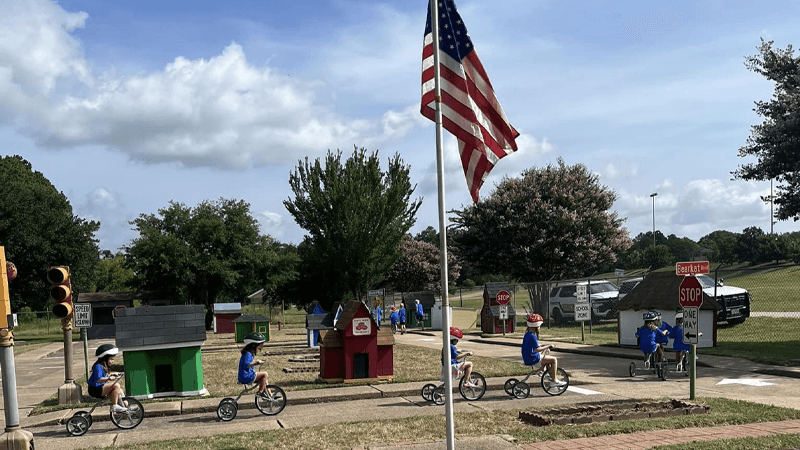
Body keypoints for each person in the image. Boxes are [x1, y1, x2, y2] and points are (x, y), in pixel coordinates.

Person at [521, 314, 567, 387]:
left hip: (529, 357)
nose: (540, 328)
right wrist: (548, 346)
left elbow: (535, 347)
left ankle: (544, 372)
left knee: (547, 359)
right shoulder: (532, 336)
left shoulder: (528, 334)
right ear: (536, 326)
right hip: (533, 359)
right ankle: (554, 380)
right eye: (539, 326)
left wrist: (543, 347)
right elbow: (537, 349)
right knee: (554, 360)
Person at [87, 344, 131, 412]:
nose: (112, 361)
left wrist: (113, 374)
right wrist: (109, 378)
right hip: (95, 390)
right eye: (111, 359)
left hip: (100, 388)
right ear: (105, 358)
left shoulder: (103, 366)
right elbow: (98, 379)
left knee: (120, 390)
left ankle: (127, 407)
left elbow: (104, 374)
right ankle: (114, 406)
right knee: (116, 385)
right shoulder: (98, 367)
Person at [239, 333, 271, 398]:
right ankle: (260, 393)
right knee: (265, 374)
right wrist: (257, 362)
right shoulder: (247, 354)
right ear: (253, 346)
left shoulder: (248, 354)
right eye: (259, 346)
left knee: (265, 380)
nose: (260, 348)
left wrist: (256, 361)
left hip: (247, 376)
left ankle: (270, 396)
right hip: (246, 377)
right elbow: (247, 365)